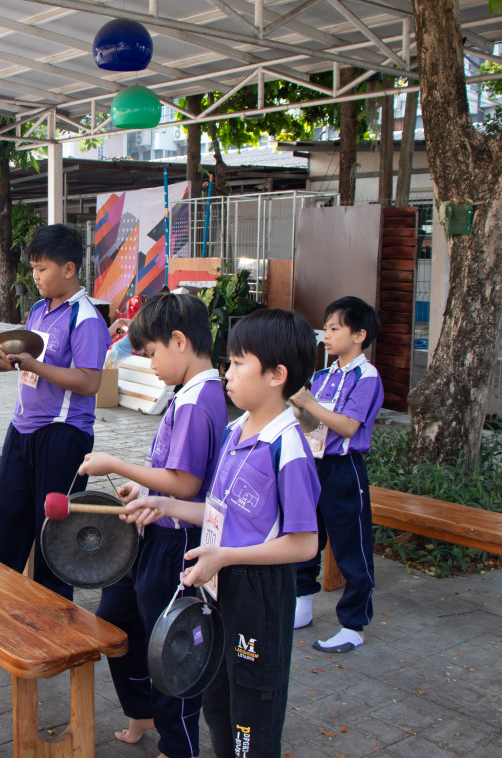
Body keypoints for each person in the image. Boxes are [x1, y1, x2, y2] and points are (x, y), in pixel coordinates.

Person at [123, 307, 320, 758]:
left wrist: (228, 556)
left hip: (258, 591)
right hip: (218, 582)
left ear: (277, 375)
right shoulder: (235, 431)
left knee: (251, 712)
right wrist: (164, 504)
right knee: (216, 699)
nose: (226, 373)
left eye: (238, 363)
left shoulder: (288, 448)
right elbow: (217, 513)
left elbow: (304, 543)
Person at [77, 293, 227, 758]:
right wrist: (143, 487)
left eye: (152, 353)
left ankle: (179, 746)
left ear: (179, 341)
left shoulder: (199, 399)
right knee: (116, 618)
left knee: (170, 643)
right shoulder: (189, 392)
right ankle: (142, 711)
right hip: (155, 531)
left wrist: (115, 463)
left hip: (177, 541)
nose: (151, 364)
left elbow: (185, 483)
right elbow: (170, 472)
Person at [0, 224, 110, 598]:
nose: (35, 276)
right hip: (22, 429)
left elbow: (90, 382)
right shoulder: (39, 309)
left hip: (63, 435)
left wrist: (33, 364)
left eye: (42, 268)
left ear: (68, 269)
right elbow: (24, 363)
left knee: (52, 533)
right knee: (4, 516)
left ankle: (51, 616)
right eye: (34, 268)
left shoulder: (86, 318)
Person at [288, 295, 385, 653]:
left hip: (344, 471)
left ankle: (353, 625)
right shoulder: (322, 375)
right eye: (325, 328)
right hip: (313, 466)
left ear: (359, 335)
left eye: (334, 328)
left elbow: (346, 426)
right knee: (306, 537)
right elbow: (312, 426)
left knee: (351, 547)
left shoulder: (367, 377)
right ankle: (301, 605)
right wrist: (299, 409)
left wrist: (309, 404)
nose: (325, 335)